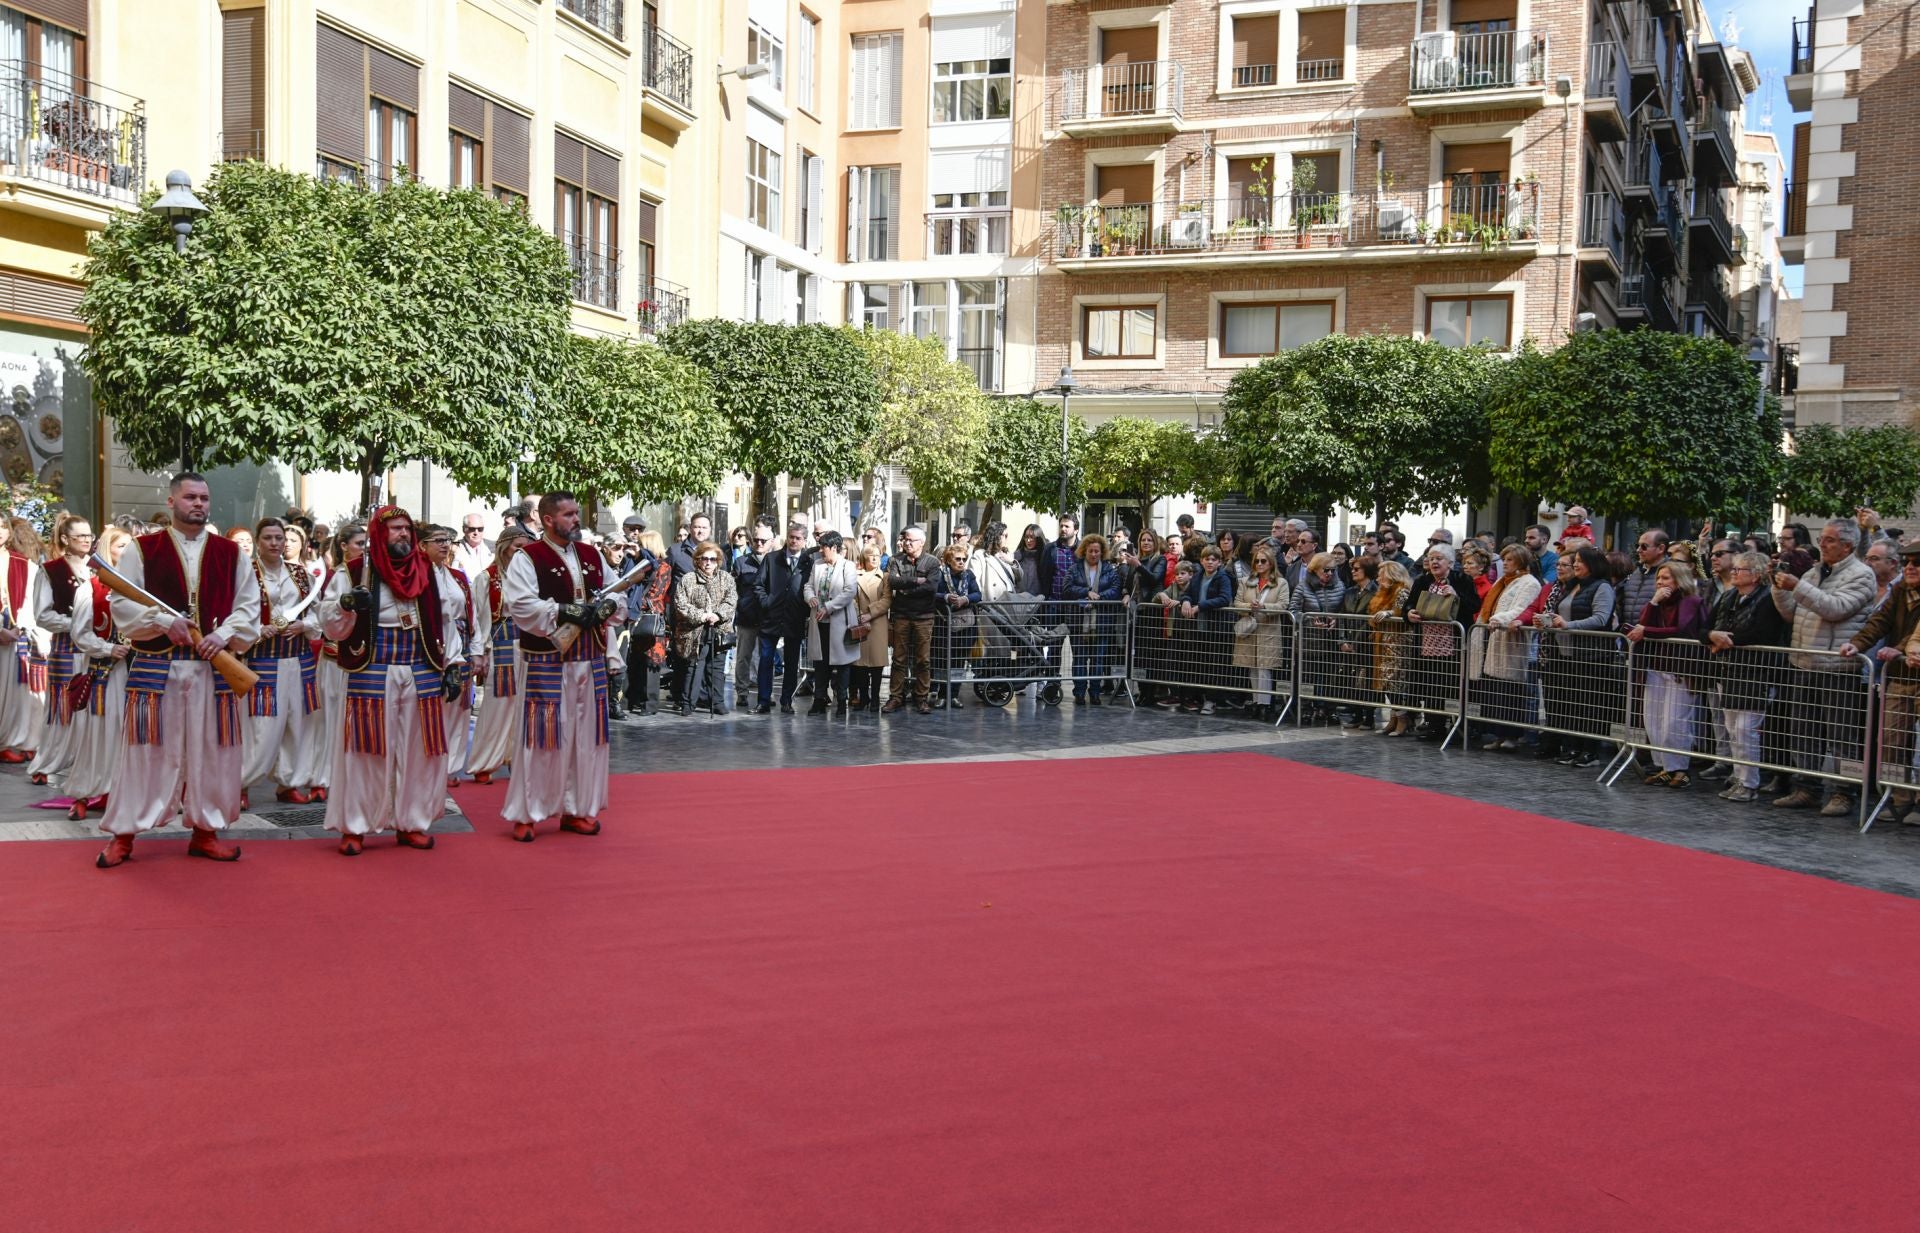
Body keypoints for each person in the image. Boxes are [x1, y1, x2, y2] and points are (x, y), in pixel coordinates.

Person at [94, 473, 261, 868]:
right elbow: (121, 604)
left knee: (214, 753)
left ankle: (206, 832)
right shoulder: (142, 548)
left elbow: (249, 606)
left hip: (212, 669)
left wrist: (222, 635)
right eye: (190, 497)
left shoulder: (231, 553)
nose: (199, 504)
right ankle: (123, 835)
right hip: (156, 667)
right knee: (144, 751)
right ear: (171, 502)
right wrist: (161, 622)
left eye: (204, 497)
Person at [317, 506, 467, 856]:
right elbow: (329, 621)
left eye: (406, 529)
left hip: (422, 667)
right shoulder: (355, 570)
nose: (402, 534)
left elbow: (447, 618)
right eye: (395, 529)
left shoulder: (430, 571)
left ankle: (411, 822)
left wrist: (455, 663)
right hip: (373, 668)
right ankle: (356, 825)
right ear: (378, 534)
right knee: (365, 751)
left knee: (420, 752)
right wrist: (347, 603)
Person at [501, 491, 623, 843]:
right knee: (542, 738)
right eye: (568, 514)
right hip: (548, 659)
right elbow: (521, 604)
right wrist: (563, 611)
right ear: (548, 519)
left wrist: (606, 608)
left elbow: (615, 591)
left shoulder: (590, 554)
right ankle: (528, 813)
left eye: (576, 513)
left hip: (590, 658)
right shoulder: (528, 557)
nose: (575, 519)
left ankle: (577, 808)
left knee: (586, 739)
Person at [1769, 519, 1876, 816]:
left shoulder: (1862, 575)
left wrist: (1797, 585)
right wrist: (1777, 586)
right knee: (1803, 730)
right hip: (1804, 661)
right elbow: (1792, 613)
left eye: (1829, 540)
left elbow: (1835, 608)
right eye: (1823, 538)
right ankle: (1807, 788)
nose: (1823, 544)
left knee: (1842, 735)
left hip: (1838, 666)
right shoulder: (1815, 572)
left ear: (1848, 545)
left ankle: (1844, 792)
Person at [238, 518, 324, 806]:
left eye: (279, 538)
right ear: (258, 541)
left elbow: (318, 611)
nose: (276, 543)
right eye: (268, 538)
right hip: (262, 659)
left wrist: (304, 625)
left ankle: (289, 783)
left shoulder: (300, 574)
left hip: (298, 658)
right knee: (261, 728)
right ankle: (242, 783)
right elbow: (232, 615)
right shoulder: (245, 574)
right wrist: (256, 630)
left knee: (297, 723)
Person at [1706, 551, 1791, 804]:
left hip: (1757, 672)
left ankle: (1749, 782)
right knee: (1732, 728)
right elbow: (1705, 625)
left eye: (1740, 570)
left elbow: (1763, 633)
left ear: (1756, 574)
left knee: (1746, 730)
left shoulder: (1767, 600)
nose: (1733, 573)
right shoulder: (1729, 596)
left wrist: (1725, 640)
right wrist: (1712, 635)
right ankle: (1738, 775)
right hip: (1728, 670)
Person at [64, 526, 134, 822]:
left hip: (137, 672)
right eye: (121, 546)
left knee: (129, 734)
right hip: (103, 672)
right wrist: (108, 650)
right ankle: (83, 792)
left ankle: (123, 791)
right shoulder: (90, 587)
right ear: (107, 549)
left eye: (131, 546)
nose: (127, 552)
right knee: (96, 733)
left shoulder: (141, 588)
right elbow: (79, 634)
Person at [1626, 561, 1709, 788]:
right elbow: (1642, 624)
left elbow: (1682, 629)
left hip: (1680, 669)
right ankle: (1663, 765)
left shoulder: (1691, 601)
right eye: (1658, 579)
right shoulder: (1658, 603)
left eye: (1666, 578)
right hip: (1656, 667)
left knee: (1674, 722)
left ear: (1679, 580)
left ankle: (1679, 768)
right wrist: (1653, 602)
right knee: (1653, 720)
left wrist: (1647, 631)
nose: (1660, 583)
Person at [1535, 546, 1619, 768]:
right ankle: (1573, 747)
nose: (1575, 565)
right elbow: (1564, 613)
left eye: (1579, 561)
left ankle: (1590, 751)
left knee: (1591, 705)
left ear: (1593, 563)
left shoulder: (1602, 587)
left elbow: (1601, 618)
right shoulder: (1573, 586)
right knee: (1573, 704)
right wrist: (1548, 620)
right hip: (1567, 655)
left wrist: (1567, 625)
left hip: (1593, 656)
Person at [27, 514, 90, 786]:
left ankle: (86, 762)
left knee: (91, 707)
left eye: (90, 535)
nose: (87, 540)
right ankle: (48, 762)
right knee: (63, 709)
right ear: (65, 539)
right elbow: (42, 615)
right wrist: (76, 622)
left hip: (95, 651)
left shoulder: (99, 568)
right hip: (66, 647)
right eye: (81, 536)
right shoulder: (51, 570)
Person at [467, 529, 530, 785]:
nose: (521, 551)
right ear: (504, 547)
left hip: (528, 643)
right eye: (517, 546)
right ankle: (485, 761)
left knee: (524, 703)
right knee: (497, 704)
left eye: (525, 547)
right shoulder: (486, 578)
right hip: (501, 643)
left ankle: (517, 757)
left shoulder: (530, 577)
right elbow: (478, 618)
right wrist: (479, 651)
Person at [1469, 544, 1542, 751]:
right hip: (1494, 638)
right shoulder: (1502, 582)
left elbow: (1521, 608)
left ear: (1520, 561)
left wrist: (1499, 618)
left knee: (1510, 691)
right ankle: (1498, 735)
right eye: (1505, 559)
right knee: (1495, 689)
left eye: (1510, 560)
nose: (1505, 563)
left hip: (1512, 642)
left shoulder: (1529, 583)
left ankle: (1511, 735)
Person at [1401, 545, 1473, 741]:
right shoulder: (1422, 581)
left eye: (1439, 558)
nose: (1434, 562)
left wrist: (1457, 596)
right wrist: (1409, 613)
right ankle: (1434, 726)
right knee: (1430, 685)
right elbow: (1408, 604)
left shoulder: (1462, 580)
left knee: (1449, 685)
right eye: (1431, 558)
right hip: (1426, 643)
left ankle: (1455, 726)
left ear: (1450, 562)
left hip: (1453, 644)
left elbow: (1474, 605)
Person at [671, 540, 737, 717]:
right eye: (704, 559)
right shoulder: (688, 579)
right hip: (695, 631)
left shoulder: (726, 578)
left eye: (713, 559)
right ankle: (688, 703)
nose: (708, 563)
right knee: (694, 666)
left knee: (717, 667)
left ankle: (717, 702)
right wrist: (701, 615)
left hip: (719, 629)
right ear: (697, 560)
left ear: (718, 561)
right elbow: (681, 604)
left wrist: (718, 615)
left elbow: (731, 601)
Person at [754, 519, 811, 714]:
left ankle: (786, 700)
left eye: (798, 538)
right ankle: (763, 700)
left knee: (792, 661)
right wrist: (766, 602)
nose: (793, 541)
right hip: (771, 616)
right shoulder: (771, 559)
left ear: (804, 541)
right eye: (791, 537)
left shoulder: (808, 562)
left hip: (794, 618)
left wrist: (804, 610)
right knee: (766, 659)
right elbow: (758, 585)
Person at [883, 526, 940, 714]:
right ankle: (896, 697)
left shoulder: (932, 562)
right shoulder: (895, 560)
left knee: (923, 660)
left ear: (921, 543)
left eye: (911, 540)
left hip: (924, 617)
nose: (907, 543)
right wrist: (916, 581)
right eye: (905, 539)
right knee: (899, 659)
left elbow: (931, 587)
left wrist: (906, 589)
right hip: (901, 616)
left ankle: (921, 697)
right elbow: (892, 581)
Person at [800, 530, 858, 714]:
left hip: (839, 622)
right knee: (820, 662)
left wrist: (829, 607)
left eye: (823, 547)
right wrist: (810, 598)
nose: (821, 551)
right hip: (820, 623)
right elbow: (808, 585)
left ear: (834, 548)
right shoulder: (818, 564)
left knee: (842, 664)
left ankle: (842, 701)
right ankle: (819, 699)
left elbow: (849, 591)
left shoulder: (847, 566)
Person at [1233, 544, 1291, 721]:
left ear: (1271, 563)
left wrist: (1264, 606)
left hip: (1269, 630)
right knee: (1252, 667)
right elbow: (1236, 603)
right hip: (1250, 629)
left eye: (1263, 561)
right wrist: (1249, 607)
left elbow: (1283, 605)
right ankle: (1256, 702)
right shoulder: (1245, 581)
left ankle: (1265, 704)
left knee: (1265, 668)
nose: (1259, 564)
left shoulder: (1281, 583)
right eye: (1256, 561)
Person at [1062, 533, 1119, 705]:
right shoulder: (1074, 568)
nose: (1094, 554)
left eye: (1097, 551)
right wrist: (1086, 592)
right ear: (1084, 551)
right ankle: (1079, 692)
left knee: (1097, 659)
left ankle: (1095, 692)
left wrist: (1099, 597)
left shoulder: (1109, 569)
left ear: (1102, 552)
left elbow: (1116, 588)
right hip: (1079, 622)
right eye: (1090, 551)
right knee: (1079, 658)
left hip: (1101, 622)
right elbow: (1067, 588)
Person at [1291, 551, 1347, 722]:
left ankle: (1329, 709)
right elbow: (1292, 612)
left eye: (1332, 570)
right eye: (1326, 570)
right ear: (1315, 570)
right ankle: (1306, 708)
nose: (1330, 574)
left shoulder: (1339, 586)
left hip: (1330, 640)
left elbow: (1343, 611)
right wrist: (1309, 620)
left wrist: (1335, 621)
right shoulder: (1303, 586)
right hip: (1308, 641)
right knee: (1307, 676)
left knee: (1331, 678)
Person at [1182, 544, 1236, 715]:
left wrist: (1200, 606)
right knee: (1200, 664)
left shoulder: (1223, 577)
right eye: (1207, 559)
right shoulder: (1198, 576)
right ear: (1201, 560)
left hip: (1217, 628)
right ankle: (1200, 697)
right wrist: (1185, 601)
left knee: (1215, 666)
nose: (1210, 562)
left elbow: (1224, 598)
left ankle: (1212, 700)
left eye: (1214, 559)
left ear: (1219, 562)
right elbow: (1188, 593)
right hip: (1200, 628)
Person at [625, 528, 673, 716]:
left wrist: (633, 603)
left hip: (651, 618)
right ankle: (633, 699)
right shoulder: (637, 565)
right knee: (634, 662)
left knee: (651, 663)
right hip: (637, 618)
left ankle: (649, 704)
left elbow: (656, 594)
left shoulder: (663, 567)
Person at [932, 542, 982, 708]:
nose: (961, 562)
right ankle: (941, 694)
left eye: (964, 559)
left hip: (965, 626)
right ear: (948, 560)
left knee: (959, 661)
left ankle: (954, 695)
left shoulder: (969, 575)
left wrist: (965, 599)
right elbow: (932, 593)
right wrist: (945, 597)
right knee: (942, 660)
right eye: (957, 559)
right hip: (943, 624)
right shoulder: (939, 575)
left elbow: (977, 594)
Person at [730, 523, 770, 708]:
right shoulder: (741, 562)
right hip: (747, 617)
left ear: (771, 542)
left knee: (766, 657)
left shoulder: (775, 562)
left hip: (768, 618)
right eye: (756, 540)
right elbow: (733, 590)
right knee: (743, 656)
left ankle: (766, 693)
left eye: (764, 540)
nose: (759, 543)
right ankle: (742, 692)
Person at [849, 545, 891, 711]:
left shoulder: (885, 577)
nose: (874, 558)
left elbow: (886, 600)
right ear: (864, 558)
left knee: (876, 663)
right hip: (860, 622)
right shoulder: (855, 575)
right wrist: (860, 616)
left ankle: (875, 698)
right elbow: (852, 598)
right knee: (860, 664)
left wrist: (870, 614)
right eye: (870, 555)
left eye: (877, 555)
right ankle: (863, 697)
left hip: (878, 623)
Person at [453, 512, 493, 580]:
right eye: (472, 529)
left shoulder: (493, 547)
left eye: (480, 529)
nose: (476, 533)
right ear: (464, 529)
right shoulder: (454, 548)